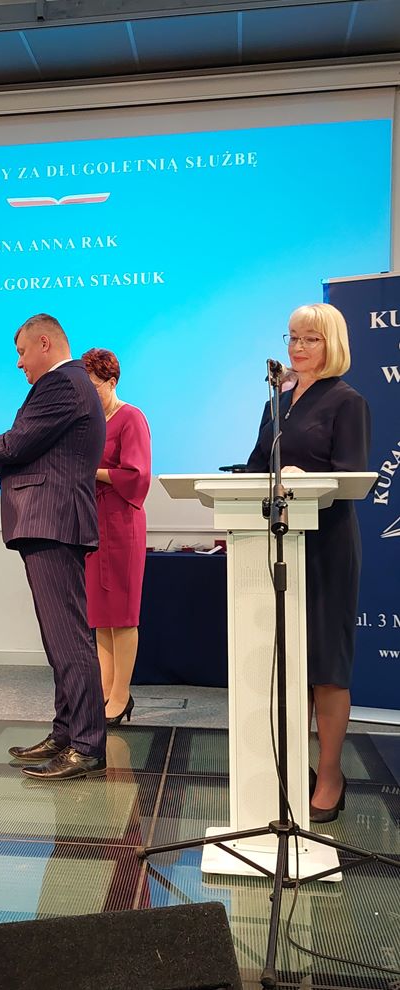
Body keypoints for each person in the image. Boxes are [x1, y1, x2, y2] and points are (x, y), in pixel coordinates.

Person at [0, 314, 107, 780]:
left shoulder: (62, 384)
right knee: (60, 637)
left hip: (53, 521)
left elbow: (17, 444)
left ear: (44, 343)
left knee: (68, 638)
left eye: (21, 352)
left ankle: (85, 745)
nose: (18, 364)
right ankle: (66, 732)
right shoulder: (71, 384)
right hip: (52, 521)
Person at [245, 303, 370, 823]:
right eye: (293, 337)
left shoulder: (347, 401)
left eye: (310, 338)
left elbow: (353, 475)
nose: (297, 347)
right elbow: (256, 466)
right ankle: (292, 766)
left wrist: (306, 477)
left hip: (327, 546)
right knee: (288, 664)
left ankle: (331, 774)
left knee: (326, 666)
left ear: (332, 343)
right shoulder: (276, 403)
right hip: (280, 542)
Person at [82, 348, 151, 726]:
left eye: (94, 386)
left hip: (121, 522)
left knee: (122, 616)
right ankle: (106, 691)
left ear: (111, 382)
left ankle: (121, 694)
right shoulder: (91, 420)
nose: (89, 394)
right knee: (101, 615)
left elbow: (137, 475)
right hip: (93, 522)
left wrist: (93, 471)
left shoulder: (131, 417)